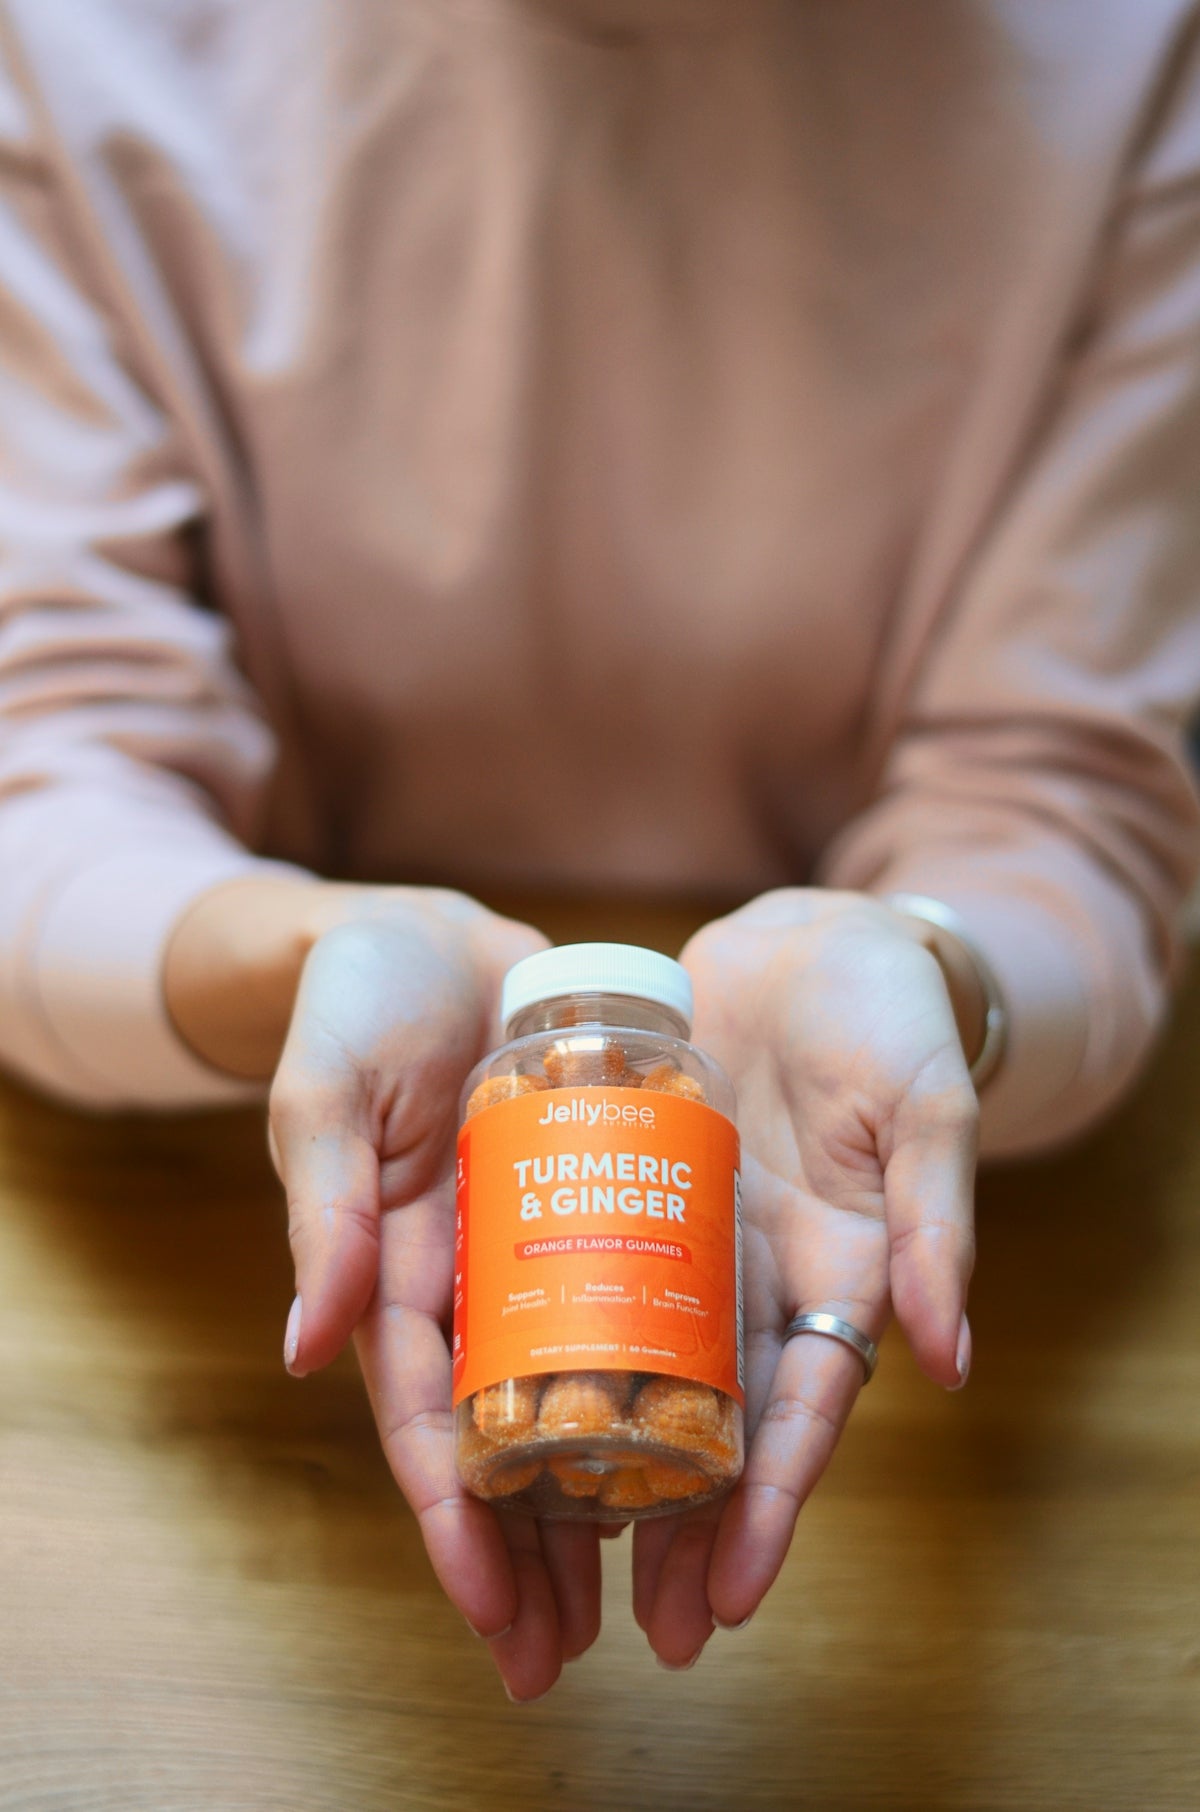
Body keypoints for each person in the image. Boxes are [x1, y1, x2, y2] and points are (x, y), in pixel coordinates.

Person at [1, 0, 1199, 1700]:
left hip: (972, 1380)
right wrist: (292, 957)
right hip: (207, 1341)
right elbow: (45, 771)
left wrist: (935, 970)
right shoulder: (71, 39)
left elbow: (1063, 804)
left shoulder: (1138, 62)